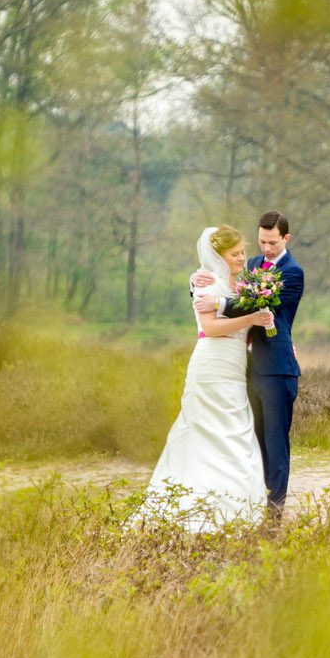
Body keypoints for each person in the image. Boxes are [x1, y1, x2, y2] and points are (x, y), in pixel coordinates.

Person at [128, 225, 274, 532]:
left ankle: (237, 507)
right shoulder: (206, 283)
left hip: (235, 368)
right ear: (218, 255)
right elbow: (210, 328)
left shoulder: (248, 283)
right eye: (234, 254)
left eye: (243, 253)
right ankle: (197, 505)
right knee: (203, 432)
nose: (241, 258)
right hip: (210, 365)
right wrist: (252, 318)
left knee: (237, 433)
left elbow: (251, 324)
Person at [194, 209, 304, 519]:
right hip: (247, 367)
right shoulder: (253, 265)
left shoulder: (294, 272)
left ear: (285, 238)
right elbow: (224, 278)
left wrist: (220, 303)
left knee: (275, 442)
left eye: (272, 243)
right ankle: (255, 506)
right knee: (253, 441)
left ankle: (274, 515)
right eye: (261, 242)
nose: (265, 249)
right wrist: (197, 279)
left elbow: (260, 303)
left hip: (277, 367)